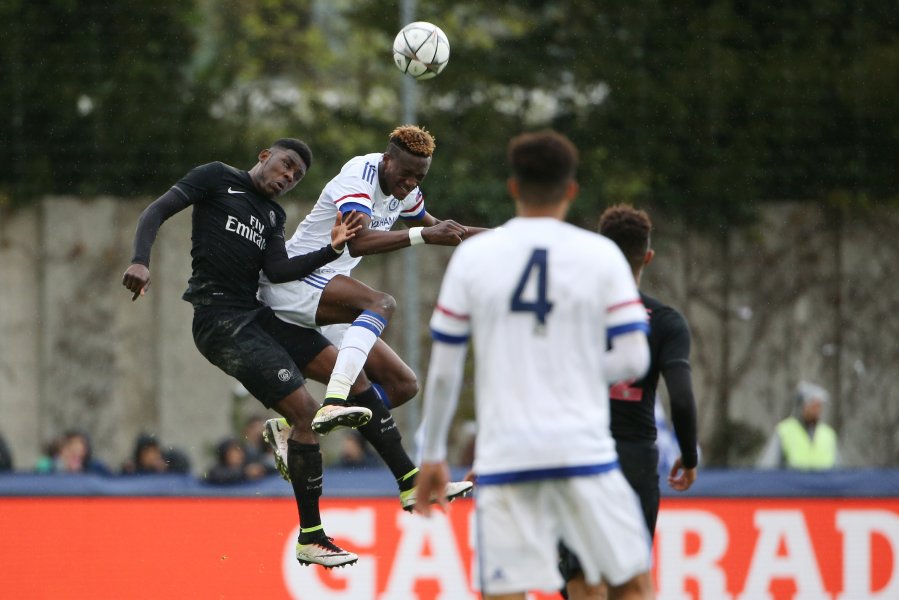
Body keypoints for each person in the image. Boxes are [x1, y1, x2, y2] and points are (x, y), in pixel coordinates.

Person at [415, 130, 655, 600]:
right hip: (584, 452)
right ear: (571, 190)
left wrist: (432, 455)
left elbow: (445, 370)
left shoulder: (474, 257)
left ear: (513, 187)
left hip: (507, 456)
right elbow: (634, 357)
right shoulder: (601, 256)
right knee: (632, 585)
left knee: (506, 592)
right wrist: (575, 375)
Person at [121, 138, 371, 568]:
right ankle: (311, 537)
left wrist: (331, 249)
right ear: (264, 157)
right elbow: (156, 210)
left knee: (343, 374)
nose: (288, 176)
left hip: (255, 315)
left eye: (296, 176)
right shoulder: (217, 177)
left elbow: (277, 270)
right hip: (219, 320)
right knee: (307, 413)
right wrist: (141, 260)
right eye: (286, 165)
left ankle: (289, 434)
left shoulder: (274, 215)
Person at [257, 125, 477, 510]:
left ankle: (295, 427)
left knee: (403, 384)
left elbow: (442, 230)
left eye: (419, 178)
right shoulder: (359, 173)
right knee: (381, 303)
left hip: (328, 291)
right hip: (294, 280)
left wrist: (507, 236)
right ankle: (336, 399)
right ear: (386, 160)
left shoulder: (404, 190)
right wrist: (423, 237)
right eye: (404, 174)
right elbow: (357, 240)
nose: (409, 184)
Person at [559, 204, 699, 600]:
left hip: (578, 454)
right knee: (632, 583)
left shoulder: (570, 312)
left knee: (585, 581)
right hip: (634, 457)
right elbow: (683, 400)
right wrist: (688, 457)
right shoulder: (665, 320)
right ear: (648, 257)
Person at [757, 381, 839, 470]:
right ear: (803, 406)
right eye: (813, 406)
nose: (816, 411)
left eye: (819, 406)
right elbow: (768, 467)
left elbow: (839, 471)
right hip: (792, 483)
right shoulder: (785, 431)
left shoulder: (828, 434)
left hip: (823, 484)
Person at [34, 429, 112, 475]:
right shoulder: (48, 465)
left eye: (81, 450)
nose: (77, 453)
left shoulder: (94, 467)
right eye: (70, 449)